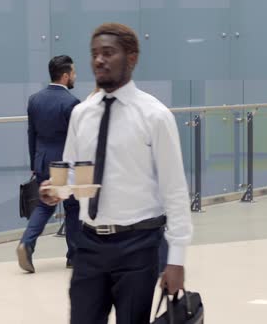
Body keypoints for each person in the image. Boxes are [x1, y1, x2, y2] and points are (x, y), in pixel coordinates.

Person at [40, 23, 193, 324]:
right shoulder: (82, 114)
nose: (99, 60)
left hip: (137, 246)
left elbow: (174, 191)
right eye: (95, 54)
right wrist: (57, 190)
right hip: (89, 246)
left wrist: (176, 260)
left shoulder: (155, 116)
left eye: (108, 53)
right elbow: (74, 174)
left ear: (131, 58)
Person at [16, 55, 81, 273]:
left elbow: (31, 133)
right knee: (73, 207)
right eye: (73, 72)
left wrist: (34, 161)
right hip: (64, 163)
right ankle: (74, 255)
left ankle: (27, 242)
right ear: (65, 76)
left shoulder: (35, 100)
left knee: (45, 204)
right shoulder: (71, 103)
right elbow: (77, 138)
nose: (75, 76)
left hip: (42, 159)